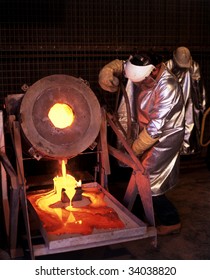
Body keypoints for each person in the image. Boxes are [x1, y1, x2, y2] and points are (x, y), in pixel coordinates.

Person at [98, 52, 185, 235]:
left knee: (150, 179)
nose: (137, 85)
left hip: (164, 137)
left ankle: (171, 220)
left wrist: (134, 149)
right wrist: (108, 71)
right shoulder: (142, 68)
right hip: (146, 129)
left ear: (153, 72)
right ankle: (138, 213)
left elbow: (155, 129)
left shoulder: (167, 86)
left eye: (140, 81)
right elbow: (121, 66)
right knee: (138, 171)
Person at [166, 46, 206, 155]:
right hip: (174, 102)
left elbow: (199, 87)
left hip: (188, 100)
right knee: (184, 124)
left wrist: (201, 105)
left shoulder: (193, 67)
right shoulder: (168, 66)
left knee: (187, 123)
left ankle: (184, 149)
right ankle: (181, 149)